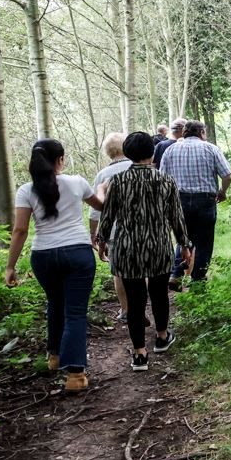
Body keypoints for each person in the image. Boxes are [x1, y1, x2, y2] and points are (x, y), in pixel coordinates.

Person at [5, 140, 104, 392]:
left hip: (44, 256)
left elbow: (20, 230)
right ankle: (75, 375)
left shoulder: (26, 190)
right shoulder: (77, 183)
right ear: (60, 159)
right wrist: (103, 187)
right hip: (78, 254)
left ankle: (55, 356)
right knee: (75, 312)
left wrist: (10, 266)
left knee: (55, 303)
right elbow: (100, 205)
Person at [96, 132, 192, 371]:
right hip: (159, 246)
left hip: (128, 249)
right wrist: (185, 245)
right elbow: (176, 218)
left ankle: (139, 354)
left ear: (128, 154)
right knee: (159, 293)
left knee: (135, 299)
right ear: (152, 153)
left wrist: (102, 241)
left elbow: (107, 216)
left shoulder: (117, 182)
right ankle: (161, 337)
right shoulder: (166, 181)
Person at [159, 120, 231, 289]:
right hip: (205, 201)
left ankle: (175, 274)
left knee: (183, 239)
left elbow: (162, 179)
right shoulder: (211, 148)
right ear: (201, 133)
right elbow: (227, 175)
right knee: (204, 242)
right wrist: (222, 192)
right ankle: (197, 280)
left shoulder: (170, 150)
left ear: (184, 133)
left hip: (179, 201)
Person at [88, 133, 134, 323]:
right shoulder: (137, 167)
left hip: (115, 232)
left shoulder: (102, 175)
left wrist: (94, 235)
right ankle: (140, 307)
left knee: (119, 272)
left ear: (108, 152)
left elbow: (95, 210)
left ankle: (125, 310)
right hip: (141, 230)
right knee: (142, 268)